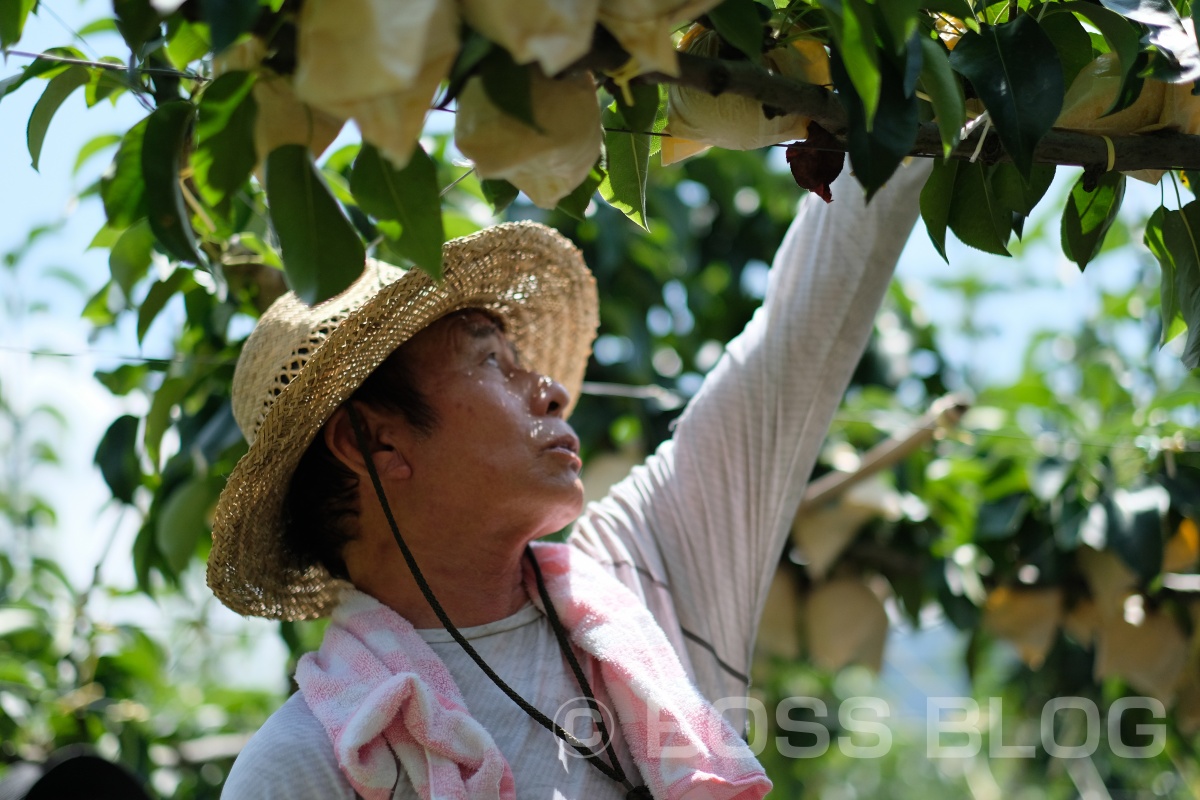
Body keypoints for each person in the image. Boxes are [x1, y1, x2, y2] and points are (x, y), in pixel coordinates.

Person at [213, 161, 929, 799]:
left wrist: (899, 89)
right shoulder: (313, 768)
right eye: (491, 361)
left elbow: (806, 329)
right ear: (374, 439)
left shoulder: (637, 580)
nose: (551, 389)